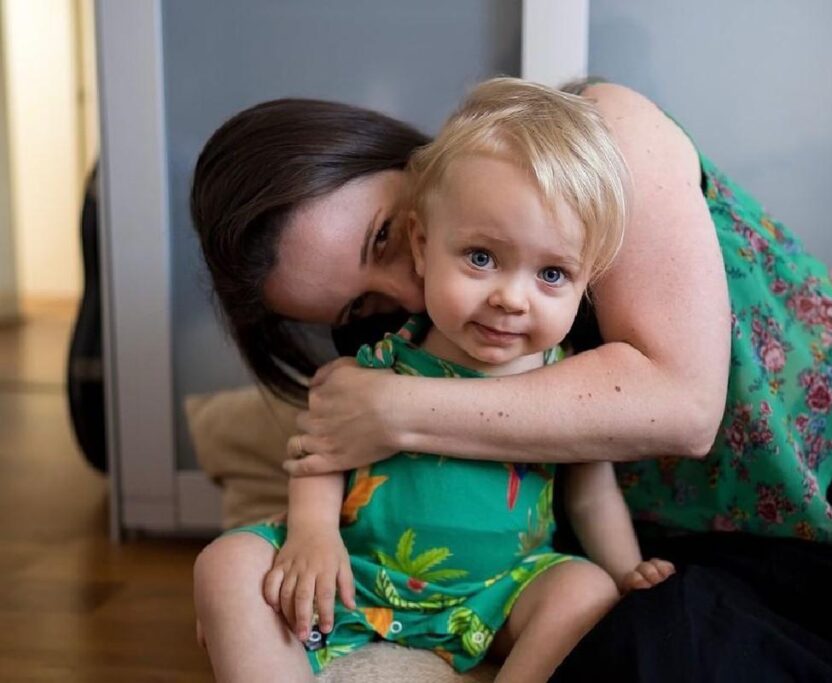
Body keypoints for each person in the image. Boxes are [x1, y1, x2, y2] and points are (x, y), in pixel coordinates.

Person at [191, 76, 832, 681]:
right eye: (362, 306)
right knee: (654, 643)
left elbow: (684, 408)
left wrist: (398, 408)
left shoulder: (603, 136)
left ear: (416, 162)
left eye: (383, 238)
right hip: (747, 561)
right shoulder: (403, 346)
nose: (408, 293)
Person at [194, 78, 675, 681]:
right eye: (481, 258)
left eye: (552, 273)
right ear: (429, 242)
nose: (511, 298)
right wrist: (311, 537)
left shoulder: (574, 379)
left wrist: (626, 572)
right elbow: (318, 454)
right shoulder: (376, 363)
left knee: (586, 589)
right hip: (359, 579)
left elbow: (591, 495)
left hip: (497, 593)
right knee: (227, 565)